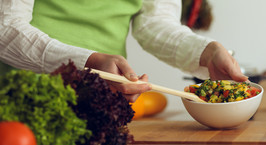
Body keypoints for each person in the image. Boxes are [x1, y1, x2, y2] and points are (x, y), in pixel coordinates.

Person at [0, 0, 247, 103]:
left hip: (105, 100)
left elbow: (154, 22)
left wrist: (206, 51)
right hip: (23, 100)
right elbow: (5, 26)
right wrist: (85, 62)